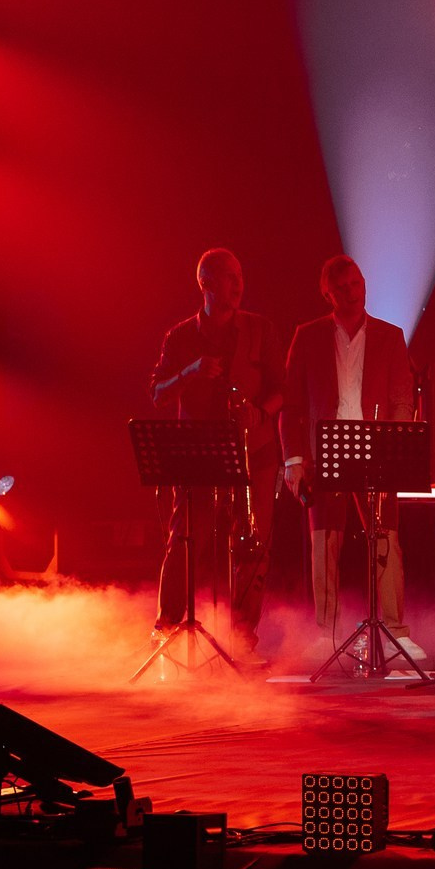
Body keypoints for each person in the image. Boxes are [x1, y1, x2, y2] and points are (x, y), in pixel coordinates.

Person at [280, 255, 426, 664]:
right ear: (327, 293)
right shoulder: (307, 336)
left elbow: (402, 397)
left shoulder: (389, 335)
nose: (351, 291)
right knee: (325, 540)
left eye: (356, 283)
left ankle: (395, 631)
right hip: (325, 450)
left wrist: (397, 448)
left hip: (375, 448)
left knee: (386, 537)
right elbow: (291, 405)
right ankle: (325, 633)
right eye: (341, 287)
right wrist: (294, 459)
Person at [148, 247, 283, 645]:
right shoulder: (181, 336)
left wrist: (259, 413)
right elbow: (157, 393)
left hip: (253, 452)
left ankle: (243, 639)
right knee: (186, 539)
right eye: (228, 276)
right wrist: (189, 372)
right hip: (199, 456)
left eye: (240, 275)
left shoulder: (261, 329)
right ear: (205, 283)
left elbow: (281, 389)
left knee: (254, 544)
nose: (239, 284)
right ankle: (167, 628)